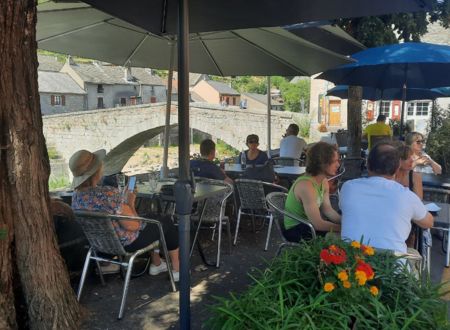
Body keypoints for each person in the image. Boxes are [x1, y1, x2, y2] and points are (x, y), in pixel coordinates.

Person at [69, 149, 180, 281]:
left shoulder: (76, 197)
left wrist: (124, 203)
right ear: (96, 170)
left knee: (150, 217)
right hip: (127, 243)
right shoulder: (108, 194)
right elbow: (135, 225)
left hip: (99, 245)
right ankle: (177, 269)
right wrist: (130, 203)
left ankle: (157, 263)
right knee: (165, 220)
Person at [340, 143, 433, 254]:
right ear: (397, 167)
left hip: (351, 264)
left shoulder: (349, 187)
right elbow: (428, 223)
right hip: (391, 267)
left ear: (367, 164)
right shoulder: (407, 196)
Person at [283, 142, 341, 242]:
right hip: (297, 229)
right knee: (342, 239)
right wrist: (344, 228)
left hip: (309, 224)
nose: (338, 164)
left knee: (346, 235)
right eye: (335, 161)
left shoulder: (323, 182)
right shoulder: (306, 185)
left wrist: (346, 222)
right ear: (323, 163)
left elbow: (328, 210)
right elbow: (317, 224)